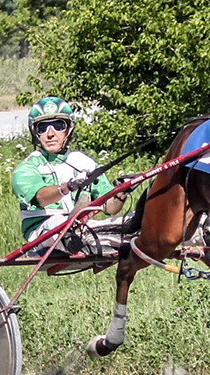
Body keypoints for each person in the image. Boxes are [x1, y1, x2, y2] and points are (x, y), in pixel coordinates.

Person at [10, 98, 128, 256]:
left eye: (58, 126)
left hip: (82, 227)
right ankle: (82, 238)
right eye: (43, 128)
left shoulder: (84, 162)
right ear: (35, 133)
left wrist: (122, 192)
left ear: (68, 130)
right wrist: (66, 188)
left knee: (134, 221)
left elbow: (111, 208)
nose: (50, 134)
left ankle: (86, 238)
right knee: (59, 224)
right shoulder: (26, 168)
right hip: (42, 230)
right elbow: (41, 198)